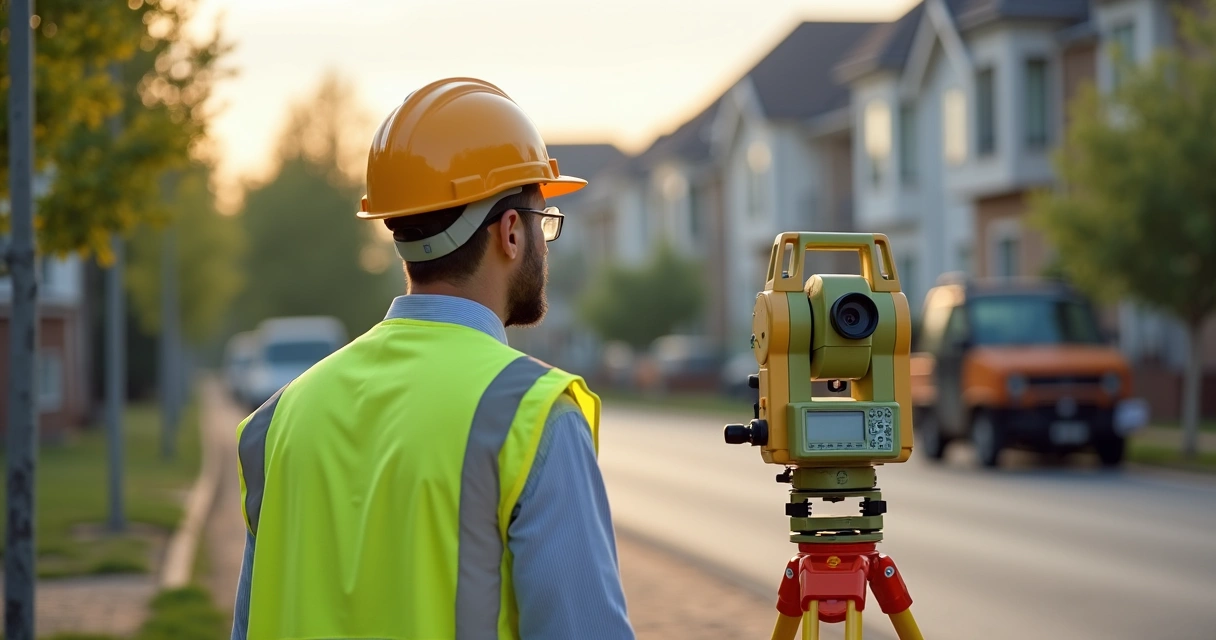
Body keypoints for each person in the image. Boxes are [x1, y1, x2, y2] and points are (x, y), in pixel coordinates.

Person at [229, 77, 635, 640]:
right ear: (511, 232)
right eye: (545, 221)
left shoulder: (277, 422)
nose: (546, 242)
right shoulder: (532, 418)